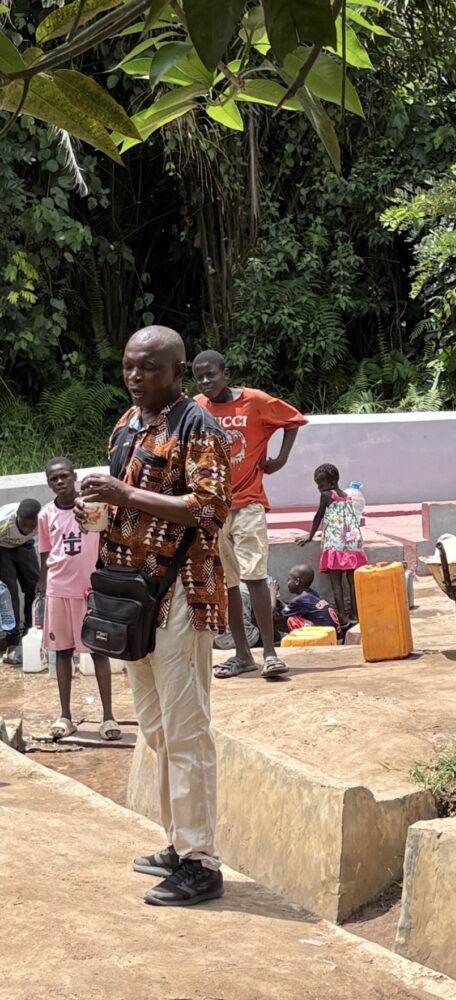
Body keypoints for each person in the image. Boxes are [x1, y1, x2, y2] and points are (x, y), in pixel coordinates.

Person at [77, 326, 231, 908]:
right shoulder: (127, 425)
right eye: (129, 367)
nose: (136, 377)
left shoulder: (200, 428)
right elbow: (112, 515)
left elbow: (210, 508)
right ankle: (178, 843)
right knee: (160, 730)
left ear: (178, 371)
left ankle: (201, 863)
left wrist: (124, 495)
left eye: (148, 368)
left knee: (188, 731)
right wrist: (86, 506)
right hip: (131, 600)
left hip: (180, 599)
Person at [192, 350, 307, 680]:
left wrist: (281, 460)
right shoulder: (198, 407)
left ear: (225, 373)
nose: (206, 382)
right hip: (214, 508)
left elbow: (293, 421)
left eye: (211, 374)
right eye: (200, 377)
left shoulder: (255, 401)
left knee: (254, 576)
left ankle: (270, 653)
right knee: (228, 583)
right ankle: (242, 655)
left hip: (249, 503)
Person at [37, 458, 121, 742]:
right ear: (48, 483)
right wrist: (42, 584)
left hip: (88, 589)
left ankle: (108, 717)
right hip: (58, 589)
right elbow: (46, 554)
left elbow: (106, 540)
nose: (59, 482)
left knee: (98, 651)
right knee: (62, 651)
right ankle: (65, 716)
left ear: (73, 476)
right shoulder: (45, 514)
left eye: (63, 476)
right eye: (53, 479)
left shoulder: (91, 507)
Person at [297, 463, 368, 629]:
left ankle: (342, 617)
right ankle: (356, 615)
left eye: (321, 485)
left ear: (332, 482)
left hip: (335, 545)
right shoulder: (348, 495)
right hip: (352, 543)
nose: (319, 489)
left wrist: (310, 535)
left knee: (336, 583)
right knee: (352, 582)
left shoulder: (327, 496)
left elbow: (318, 517)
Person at [0, 498, 42, 639]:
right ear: (17, 516)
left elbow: (47, 547)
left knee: (35, 587)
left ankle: (31, 632)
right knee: (9, 591)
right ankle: (12, 637)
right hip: (2, 548)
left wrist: (43, 576)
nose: (27, 529)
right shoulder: (3, 520)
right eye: (24, 525)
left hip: (25, 546)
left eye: (31, 527)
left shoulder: (44, 520)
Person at [277, 564, 340, 635]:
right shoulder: (312, 594)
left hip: (326, 638)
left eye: (289, 579)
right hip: (335, 635)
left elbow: (281, 616)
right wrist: (278, 601)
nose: (287, 583)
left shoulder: (299, 600)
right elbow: (289, 608)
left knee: (291, 620)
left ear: (297, 581)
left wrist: (271, 595)